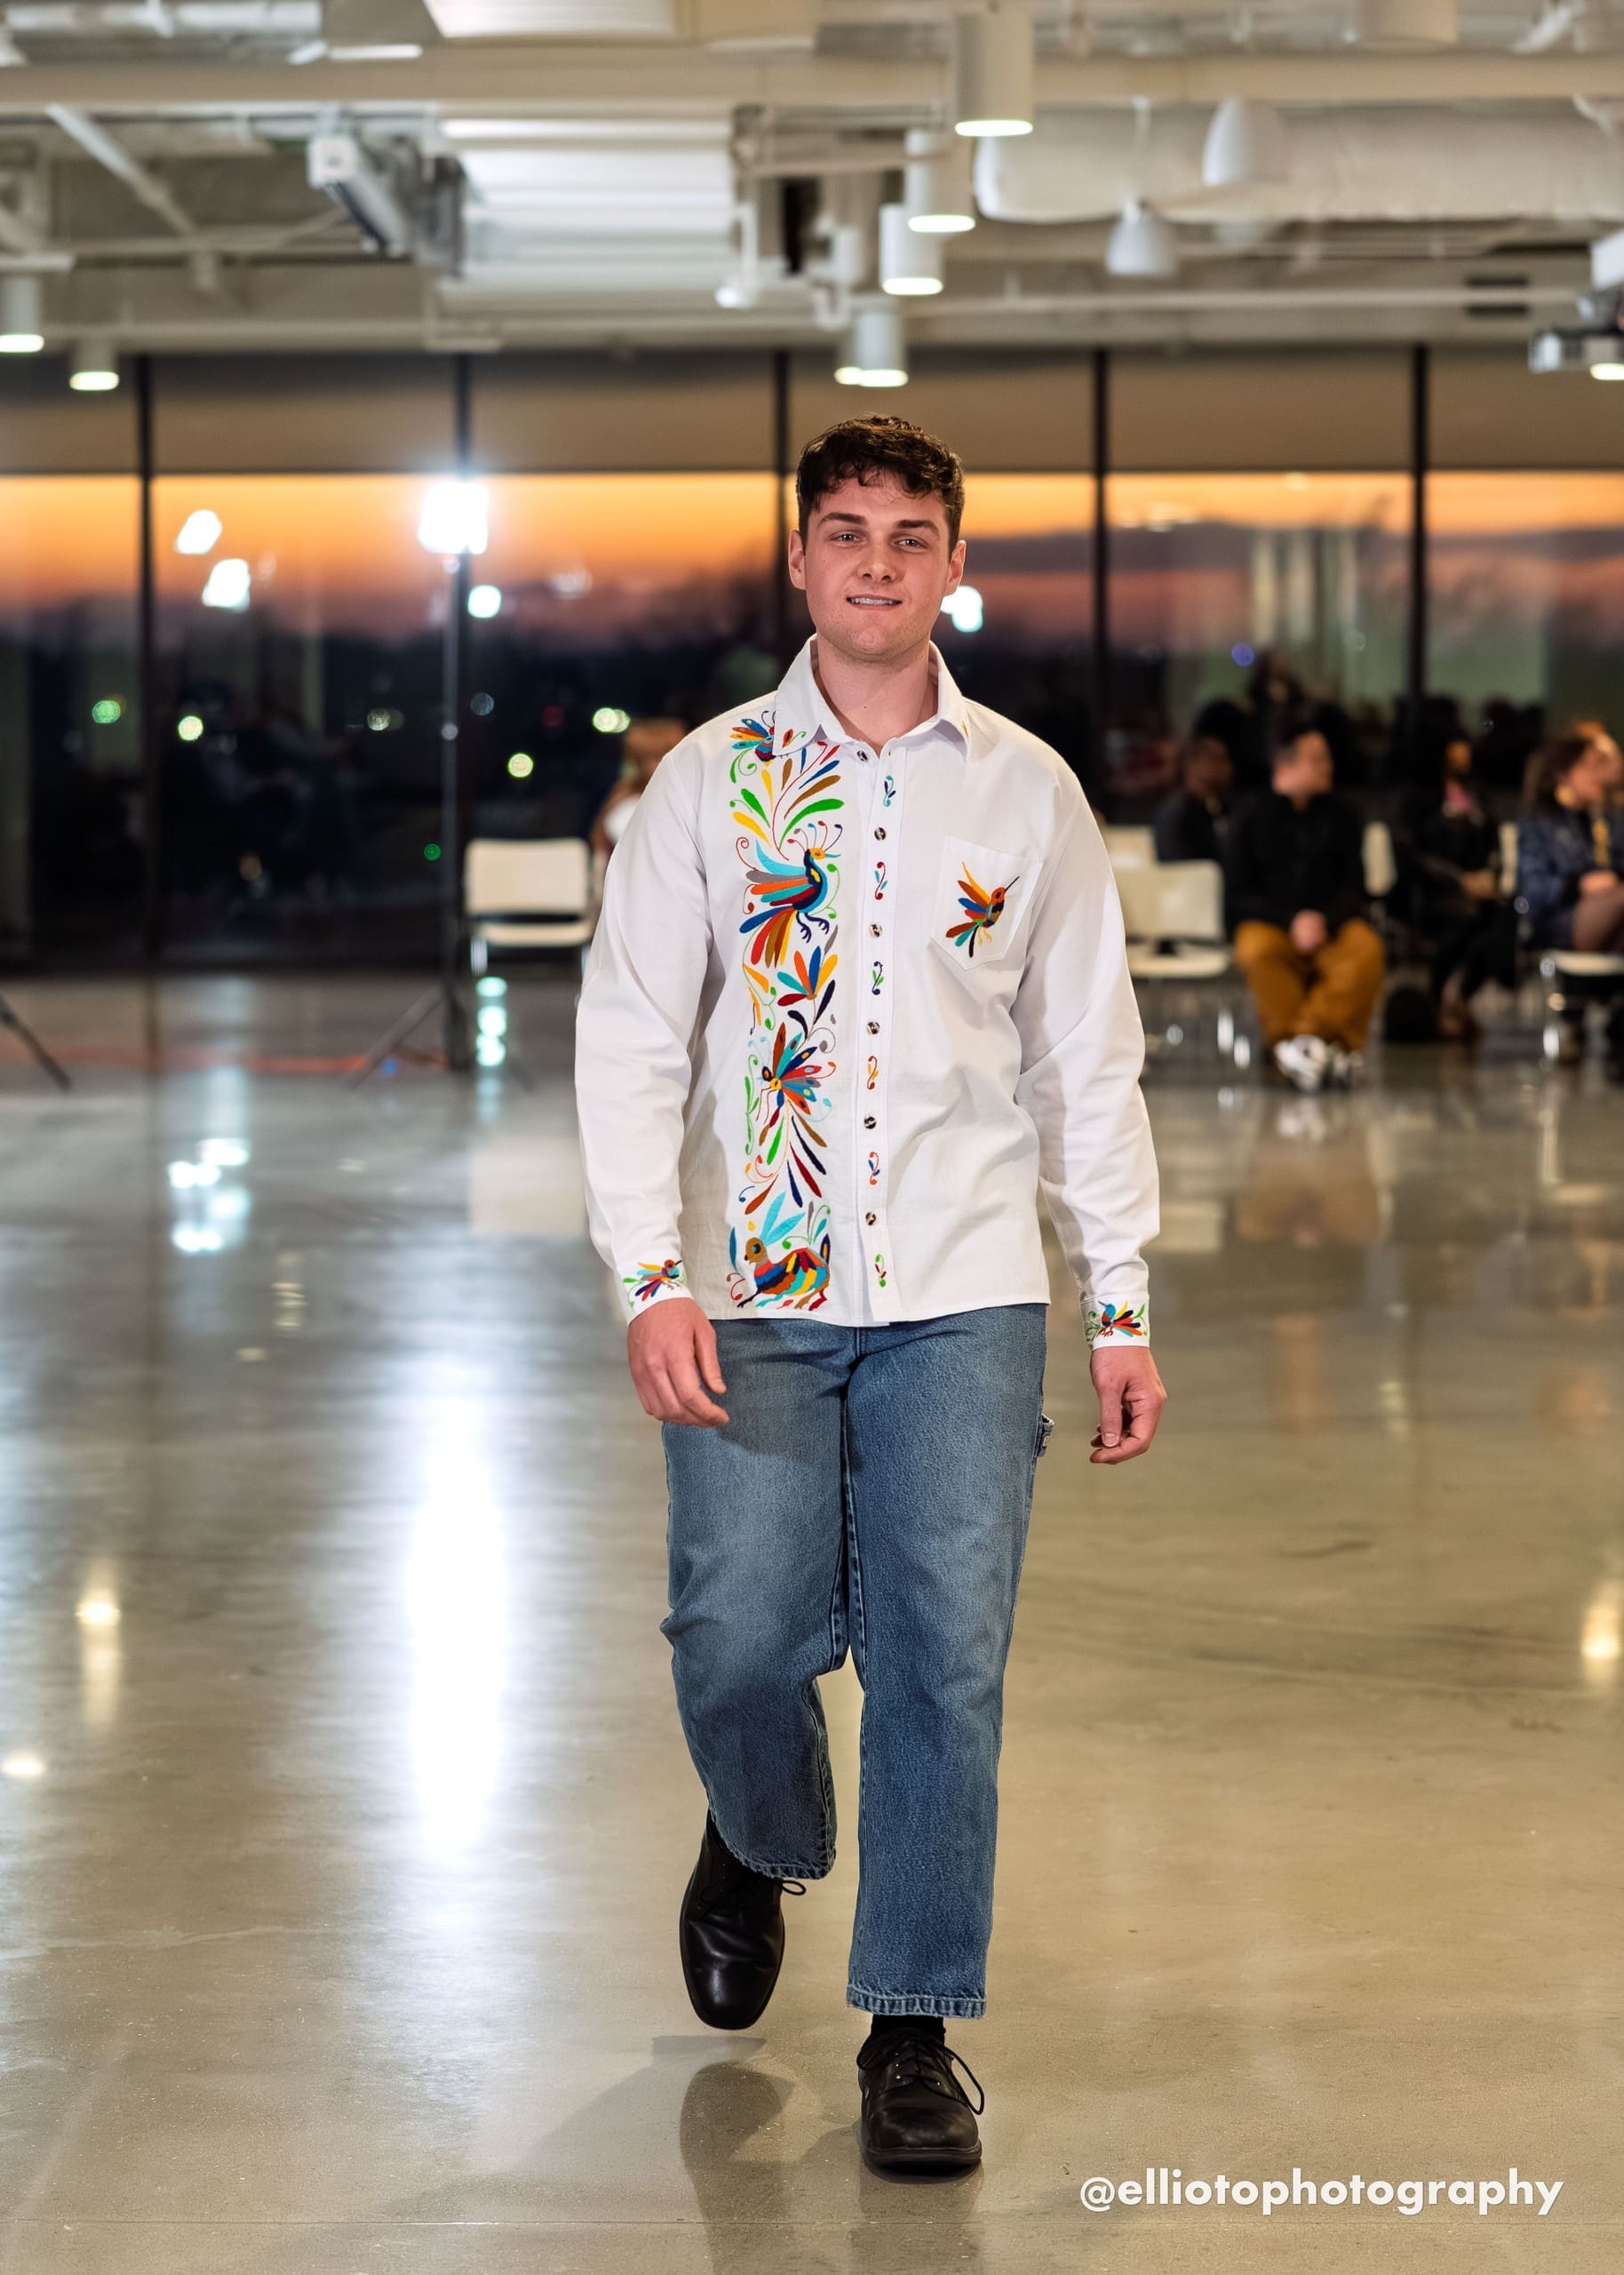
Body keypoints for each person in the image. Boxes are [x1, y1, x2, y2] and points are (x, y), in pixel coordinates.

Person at [574, 415, 1165, 2180]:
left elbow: (1085, 1060)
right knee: (735, 1634)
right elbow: (626, 1031)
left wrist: (1115, 1295)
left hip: (968, 1286)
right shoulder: (710, 781)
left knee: (939, 1655)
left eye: (912, 532)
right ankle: (756, 1832)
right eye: (846, 529)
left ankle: (910, 2024)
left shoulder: (1025, 790)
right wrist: (644, 1272)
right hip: (747, 1283)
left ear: (951, 563)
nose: (878, 560)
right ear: (798, 560)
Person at [1223, 721, 1385, 1093]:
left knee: (1365, 950)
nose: (1328, 766)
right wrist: (1291, 921)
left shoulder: (1342, 815)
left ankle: (1299, 1044)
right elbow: (1237, 893)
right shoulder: (1248, 816)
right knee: (1257, 949)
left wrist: (1321, 920)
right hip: (1271, 923)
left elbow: (1353, 886)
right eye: (1317, 759)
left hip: (1331, 926)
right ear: (1286, 765)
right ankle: (1319, 1049)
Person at [1517, 733, 1624, 1067]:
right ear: (1563, 774)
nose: (1596, 775)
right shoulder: (1539, 824)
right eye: (1588, 767)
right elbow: (1532, 893)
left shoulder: (1607, 820)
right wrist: (1579, 885)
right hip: (1562, 919)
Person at [1398, 733, 1511, 1042]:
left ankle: (1462, 994)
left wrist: (1488, 876)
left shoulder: (1479, 798)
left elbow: (1495, 848)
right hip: (1433, 891)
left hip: (1478, 890)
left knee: (1504, 918)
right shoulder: (1421, 799)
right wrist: (1459, 881)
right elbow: (1413, 855)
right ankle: (1439, 999)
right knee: (1465, 917)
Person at [589, 715, 687, 862]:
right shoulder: (621, 796)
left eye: (658, 757)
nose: (651, 766)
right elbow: (599, 842)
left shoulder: (685, 799)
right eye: (644, 759)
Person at [1152, 734, 1233, 866]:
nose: (1228, 767)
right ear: (1192, 764)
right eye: (1217, 759)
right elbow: (1179, 869)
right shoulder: (1175, 813)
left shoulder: (1221, 805)